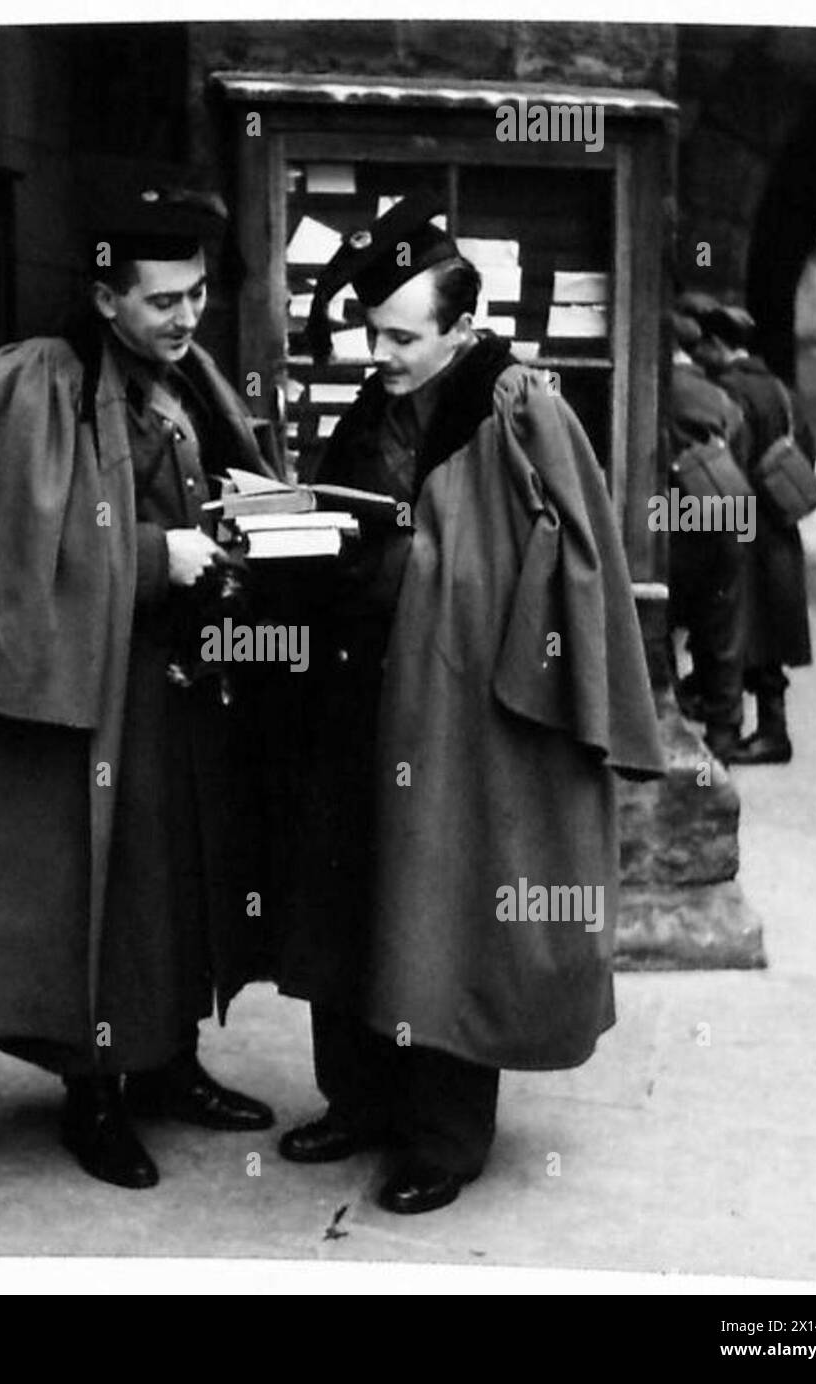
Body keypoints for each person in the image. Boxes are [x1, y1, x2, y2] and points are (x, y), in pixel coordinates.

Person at [274, 195, 665, 1214]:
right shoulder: (371, 405)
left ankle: (444, 1137)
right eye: (373, 332)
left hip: (461, 710)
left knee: (442, 906)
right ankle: (357, 1101)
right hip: (359, 694)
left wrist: (423, 565)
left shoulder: (517, 405)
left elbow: (576, 559)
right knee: (353, 893)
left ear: (462, 329)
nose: (382, 352)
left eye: (404, 336)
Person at [0, 185, 278, 1190]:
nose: (187, 316)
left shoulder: (195, 377)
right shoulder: (35, 385)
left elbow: (232, 484)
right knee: (100, 889)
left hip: (181, 687)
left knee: (176, 880)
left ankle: (167, 1064)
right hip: (89, 691)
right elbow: (15, 557)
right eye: (163, 300)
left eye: (198, 294)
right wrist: (161, 557)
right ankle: (96, 1094)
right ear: (106, 296)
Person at [695, 304, 816, 764]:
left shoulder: (727, 390)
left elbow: (727, 462)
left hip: (746, 527)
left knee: (744, 629)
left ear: (718, 344)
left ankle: (768, 733)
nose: (699, 353)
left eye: (704, 344)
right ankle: (770, 728)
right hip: (780, 526)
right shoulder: (781, 391)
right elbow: (807, 450)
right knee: (769, 630)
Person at [666, 308, 751, 761]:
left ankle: (667, 722)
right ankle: (724, 729)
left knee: (661, 621)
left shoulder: (658, 389)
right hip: (730, 514)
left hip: (673, 518)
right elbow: (739, 447)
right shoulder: (719, 395)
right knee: (723, 626)